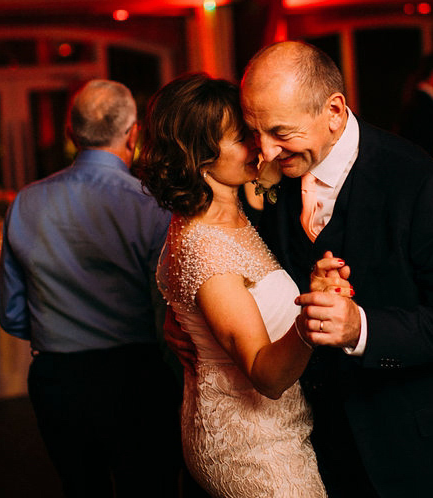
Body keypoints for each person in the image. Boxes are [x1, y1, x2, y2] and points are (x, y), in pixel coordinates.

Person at [240, 41, 433, 496]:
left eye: (280, 132)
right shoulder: (271, 177)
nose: (267, 151)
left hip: (413, 447)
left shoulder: (419, 183)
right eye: (256, 133)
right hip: (315, 446)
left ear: (334, 111)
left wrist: (362, 329)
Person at [139, 73, 352, 498]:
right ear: (198, 156)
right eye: (243, 136)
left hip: (282, 424)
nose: (260, 145)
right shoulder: (208, 249)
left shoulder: (228, 210)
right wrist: (314, 314)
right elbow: (267, 376)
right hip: (255, 446)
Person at [0, 79, 181, 498]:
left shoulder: (26, 201)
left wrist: (62, 328)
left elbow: (11, 312)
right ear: (134, 134)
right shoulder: (150, 205)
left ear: (70, 132)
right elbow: (165, 307)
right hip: (136, 376)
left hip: (57, 378)